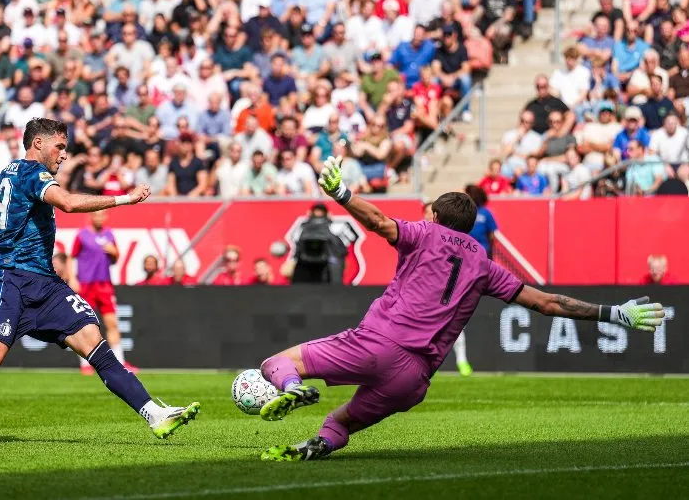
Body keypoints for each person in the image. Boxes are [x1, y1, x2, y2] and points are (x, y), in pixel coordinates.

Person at [256, 155, 665, 462]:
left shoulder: (425, 233)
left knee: (276, 364)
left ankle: (293, 388)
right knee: (339, 422)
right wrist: (615, 313)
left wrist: (342, 193)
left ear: (435, 215)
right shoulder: (485, 266)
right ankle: (314, 447)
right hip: (413, 380)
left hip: (378, 343)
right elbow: (546, 303)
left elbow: (379, 222)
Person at [0, 118, 200, 448]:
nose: (64, 154)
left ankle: (154, 414)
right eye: (60, 147)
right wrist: (125, 198)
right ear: (38, 144)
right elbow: (68, 203)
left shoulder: (6, 175)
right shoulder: (34, 174)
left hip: (45, 283)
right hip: (13, 279)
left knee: (94, 342)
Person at [71, 210, 138, 376]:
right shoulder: (82, 235)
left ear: (106, 216)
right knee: (84, 325)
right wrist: (72, 278)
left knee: (112, 323)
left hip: (104, 285)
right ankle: (85, 364)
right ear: (91, 216)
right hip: (86, 284)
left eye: (102, 215)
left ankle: (120, 362)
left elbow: (114, 260)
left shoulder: (109, 234)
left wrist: (114, 253)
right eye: (96, 215)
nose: (99, 218)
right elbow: (72, 257)